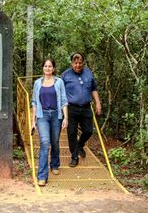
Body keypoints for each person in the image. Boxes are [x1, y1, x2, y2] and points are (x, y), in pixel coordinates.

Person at [31, 58, 68, 187]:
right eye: (45, 66)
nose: (47, 68)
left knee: (55, 142)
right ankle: (42, 175)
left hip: (56, 115)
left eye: (50, 66)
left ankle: (55, 163)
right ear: (43, 68)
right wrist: (33, 121)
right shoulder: (37, 83)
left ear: (53, 68)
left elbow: (64, 101)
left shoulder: (59, 82)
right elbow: (34, 102)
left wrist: (65, 118)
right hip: (43, 116)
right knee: (45, 142)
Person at [61, 52, 101, 167]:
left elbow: (94, 88)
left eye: (80, 63)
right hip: (71, 108)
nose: (77, 65)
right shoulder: (65, 75)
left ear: (83, 63)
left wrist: (98, 102)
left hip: (86, 107)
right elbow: (60, 93)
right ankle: (74, 157)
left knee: (88, 130)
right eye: (75, 63)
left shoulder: (88, 73)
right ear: (71, 63)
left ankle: (79, 146)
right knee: (72, 133)